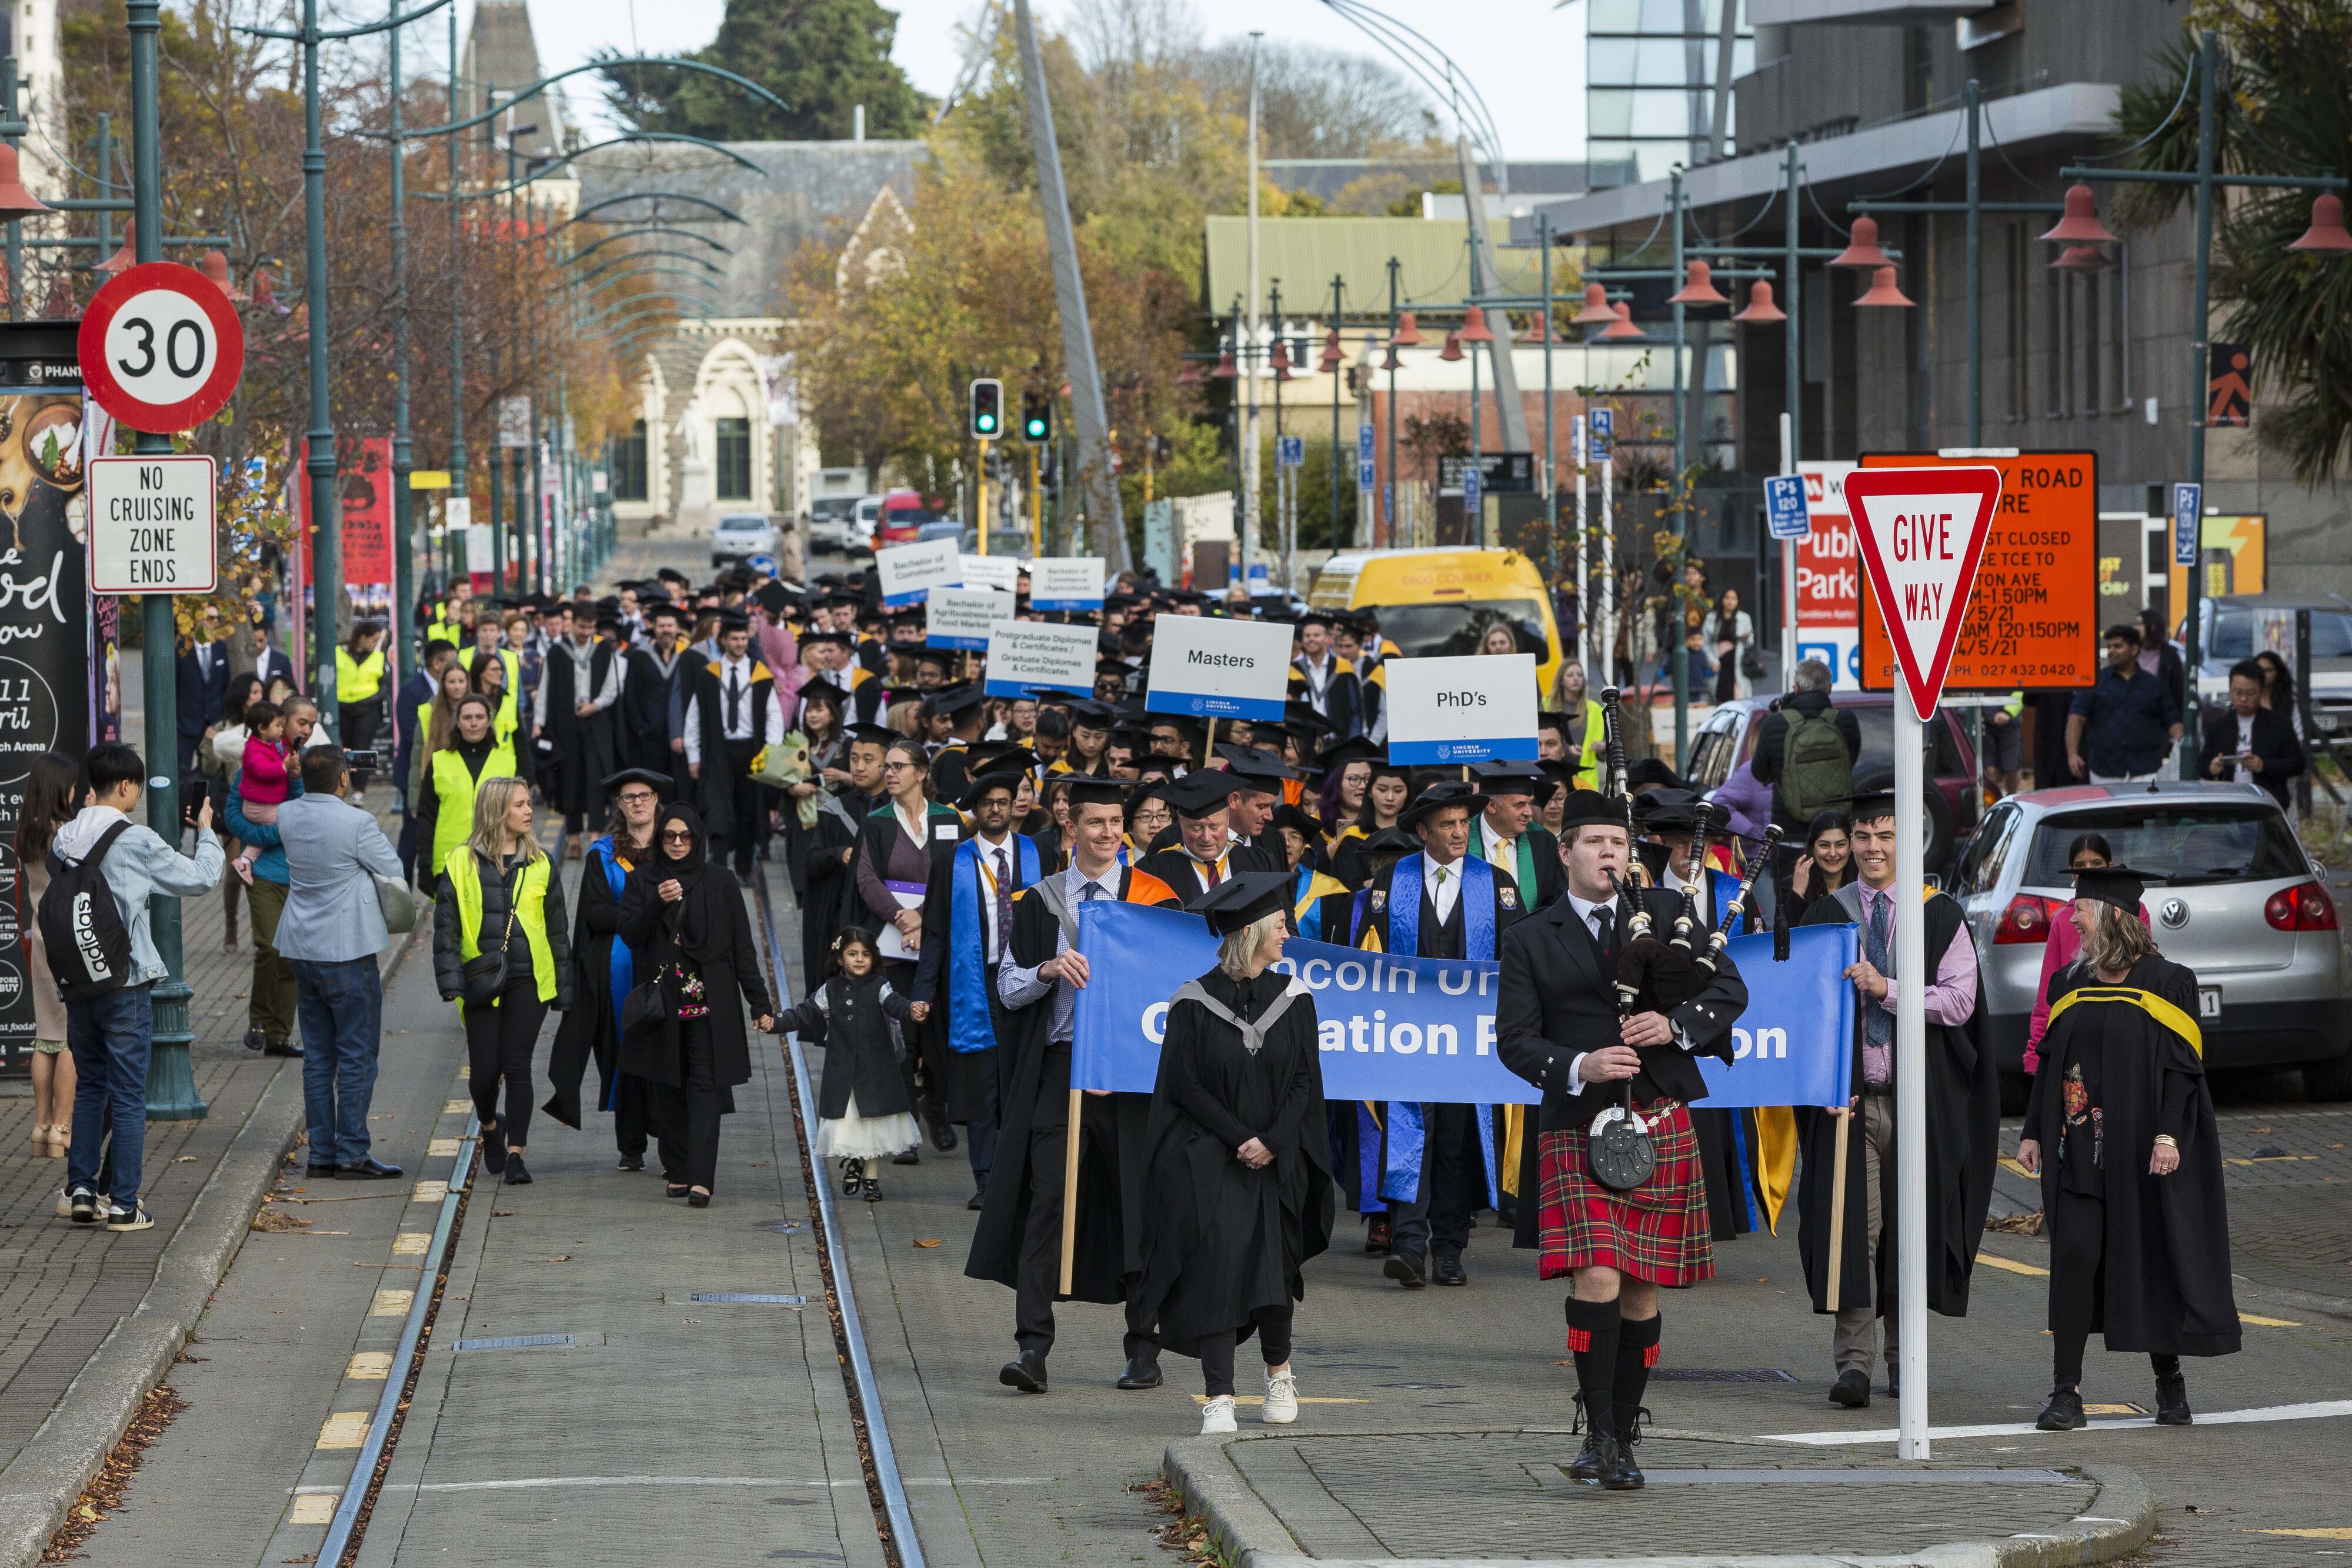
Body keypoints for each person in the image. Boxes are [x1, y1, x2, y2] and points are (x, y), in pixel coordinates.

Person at [1494, 787, 1747, 1490]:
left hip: (1659, 1118)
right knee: (1598, 1274)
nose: (1609, 853)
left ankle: (1624, 1432)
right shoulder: (1529, 937)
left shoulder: (1668, 914)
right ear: (1566, 850)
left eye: (1619, 843)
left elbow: (1729, 990)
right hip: (1579, 1124)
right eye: (1595, 842)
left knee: (1641, 1290)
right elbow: (1513, 1040)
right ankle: (1599, 1431)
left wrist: (1675, 1025)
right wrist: (1580, 1064)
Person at [966, 777, 1181, 1394]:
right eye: (1096, 822)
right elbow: (1007, 987)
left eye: (1117, 822)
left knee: (1141, 1210)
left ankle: (1144, 1349)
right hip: (1061, 1068)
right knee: (1046, 1206)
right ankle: (1032, 1348)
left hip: (1133, 1078)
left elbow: (1176, 993)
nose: (1109, 833)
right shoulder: (1039, 901)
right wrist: (1049, 967)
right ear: (1071, 828)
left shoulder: (1156, 901)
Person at [2017, 864, 2237, 1430]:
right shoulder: (2068, 983)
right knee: (2073, 1259)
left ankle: (2169, 1382)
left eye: (2082, 909)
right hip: (2082, 1153)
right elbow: (2050, 1062)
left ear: (2112, 916)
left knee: (2148, 1261)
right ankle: (2065, 1392)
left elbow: (2181, 1070)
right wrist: (2033, 1131)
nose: (2073, 919)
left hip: (2143, 1152)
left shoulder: (2169, 981)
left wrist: (2169, 1135)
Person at [1797, 792, 1999, 1409]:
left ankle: (1903, 1360)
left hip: (1920, 1098)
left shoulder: (1938, 914)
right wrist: (1817, 1084)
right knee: (1856, 1230)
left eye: (1885, 835)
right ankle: (1853, 1363)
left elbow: (1959, 1002)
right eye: (1862, 835)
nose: (1873, 847)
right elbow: (1805, 1010)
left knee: (1911, 1232)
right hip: (1848, 1102)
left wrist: (1887, 988)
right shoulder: (1827, 914)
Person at [1135, 872, 1334, 1435]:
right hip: (1210, 1158)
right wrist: (1238, 1139)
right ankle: (1219, 1395)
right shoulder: (1192, 1003)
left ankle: (1279, 1375)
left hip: (1276, 1159)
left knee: (1273, 1273)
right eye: (1279, 926)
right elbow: (1185, 1087)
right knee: (1216, 1273)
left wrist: (1271, 1140)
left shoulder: (1294, 1000)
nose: (1287, 935)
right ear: (1250, 932)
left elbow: (1304, 1081)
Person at [1350, 780, 1522, 1289]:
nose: (1457, 832)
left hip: (1470, 1037)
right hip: (1408, 1035)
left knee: (1455, 1140)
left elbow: (1513, 959)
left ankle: (1448, 1250)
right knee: (1407, 1133)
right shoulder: (1389, 882)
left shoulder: (1495, 884)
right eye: (1446, 824)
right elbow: (1366, 956)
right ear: (1422, 830)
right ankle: (1408, 1245)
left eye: (1463, 824)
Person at [56, 743, 226, 1232]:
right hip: (126, 981)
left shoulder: (65, 838)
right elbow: (199, 879)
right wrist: (207, 831)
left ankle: (82, 1190)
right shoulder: (137, 839)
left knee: (91, 1087)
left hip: (78, 981)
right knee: (129, 1096)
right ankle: (125, 1205)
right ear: (128, 786)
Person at [617, 803, 777, 1207]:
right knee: (668, 1084)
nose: (676, 843)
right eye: (668, 836)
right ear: (658, 839)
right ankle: (678, 1168)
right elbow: (631, 936)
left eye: (684, 836)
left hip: (711, 1001)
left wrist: (760, 1003)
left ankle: (701, 1178)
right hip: (664, 1005)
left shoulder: (720, 881)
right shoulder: (641, 881)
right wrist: (656, 902)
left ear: (697, 838)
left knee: (705, 1085)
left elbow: (743, 948)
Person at [913, 765, 1042, 1209]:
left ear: (1013, 807)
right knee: (984, 1083)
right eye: (986, 803)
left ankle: (1020, 1177)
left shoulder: (1035, 854)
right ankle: (986, 1179)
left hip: (1030, 979)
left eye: (1002, 802)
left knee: (1020, 1081)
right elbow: (934, 932)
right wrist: (922, 992)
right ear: (975, 809)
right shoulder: (953, 861)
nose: (995, 809)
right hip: (977, 981)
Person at [433, 776, 572, 1185]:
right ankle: (491, 1127)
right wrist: (450, 981)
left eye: (529, 803)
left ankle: (517, 1154)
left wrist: (564, 989)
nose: (529, 811)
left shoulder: (542, 862)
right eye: (520, 805)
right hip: (482, 979)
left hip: (530, 979)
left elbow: (557, 931)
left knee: (517, 1066)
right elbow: (446, 928)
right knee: (483, 1074)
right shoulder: (461, 862)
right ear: (497, 811)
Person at [276, 745, 406, 1180]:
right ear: (344, 779)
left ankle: (322, 1154)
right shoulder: (357, 821)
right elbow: (391, 867)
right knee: (356, 1055)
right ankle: (352, 1152)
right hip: (347, 950)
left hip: (302, 946)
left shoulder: (287, 815)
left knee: (318, 1057)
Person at [545, 768, 669, 1170]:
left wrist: (635, 915)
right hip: (618, 970)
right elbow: (595, 915)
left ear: (655, 800)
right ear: (618, 804)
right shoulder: (603, 854)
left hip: (666, 965)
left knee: (668, 1051)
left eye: (644, 795)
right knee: (624, 1053)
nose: (637, 802)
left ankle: (671, 1141)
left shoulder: (675, 846)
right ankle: (630, 1144)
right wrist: (649, 914)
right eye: (629, 797)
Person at [855, 737, 963, 1156]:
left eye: (899, 766)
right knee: (901, 1037)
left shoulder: (948, 819)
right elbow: (866, 878)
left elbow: (956, 873)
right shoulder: (878, 821)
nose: (890, 773)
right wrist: (903, 916)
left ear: (922, 773)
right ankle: (905, 1126)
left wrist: (924, 915)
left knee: (936, 1033)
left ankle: (935, 1108)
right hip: (892, 941)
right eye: (888, 767)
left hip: (937, 940)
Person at [782, 928, 929, 1201]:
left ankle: (871, 1180)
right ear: (840, 959)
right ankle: (855, 1162)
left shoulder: (880, 985)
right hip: (843, 1073)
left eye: (866, 954)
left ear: (874, 958)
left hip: (876, 1072)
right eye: (852, 954)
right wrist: (775, 1022)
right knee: (849, 1123)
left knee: (875, 1127)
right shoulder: (831, 989)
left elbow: (895, 1004)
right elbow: (805, 1013)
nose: (860, 960)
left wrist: (911, 1009)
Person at [2024, 833, 2146, 1073]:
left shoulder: (2134, 914)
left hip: (2124, 1038)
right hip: (2078, 1040)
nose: (2088, 871)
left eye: (2096, 864)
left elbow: (2143, 973)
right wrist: (2035, 1054)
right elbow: (2047, 998)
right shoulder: (2063, 921)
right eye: (2080, 866)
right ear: (2072, 872)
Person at [683, 612, 788, 875]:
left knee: (748, 809)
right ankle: (718, 866)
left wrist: (770, 752)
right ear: (724, 641)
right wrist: (693, 756)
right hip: (718, 751)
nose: (740, 643)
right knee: (717, 807)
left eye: (743, 638)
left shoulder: (760, 674)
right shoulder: (709, 674)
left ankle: (743, 868)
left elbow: (774, 715)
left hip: (752, 751)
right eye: (735, 639)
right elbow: (694, 717)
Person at [227, 708, 305, 1059]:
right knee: (270, 948)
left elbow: (303, 808)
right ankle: (258, 1022)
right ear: (280, 725)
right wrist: (270, 834)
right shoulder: (256, 762)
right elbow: (233, 813)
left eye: (312, 724)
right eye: (300, 721)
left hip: (299, 876)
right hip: (263, 875)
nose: (307, 728)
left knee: (291, 958)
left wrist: (297, 774)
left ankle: (279, 1036)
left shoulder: (294, 762)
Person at [19, 752, 78, 1160]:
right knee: (74, 1037)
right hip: (70, 937)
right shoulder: (67, 832)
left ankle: (41, 1127)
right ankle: (63, 1127)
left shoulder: (28, 830)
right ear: (61, 786)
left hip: (40, 935)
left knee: (45, 1035)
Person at [537, 606, 623, 850]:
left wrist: (595, 706)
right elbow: (545, 689)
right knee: (569, 777)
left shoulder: (603, 650)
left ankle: (595, 834)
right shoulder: (557, 652)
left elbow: (612, 688)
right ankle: (573, 836)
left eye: (590, 627)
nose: (586, 632)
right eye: (582, 627)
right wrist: (538, 723)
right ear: (571, 623)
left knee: (597, 778)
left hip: (596, 722)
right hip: (566, 725)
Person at [416, 695, 521, 883]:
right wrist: (424, 862)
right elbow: (427, 815)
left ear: (489, 722)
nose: (473, 724)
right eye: (467, 718)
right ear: (457, 722)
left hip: (496, 860)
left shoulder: (507, 763)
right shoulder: (439, 762)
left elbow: (519, 817)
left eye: (480, 718)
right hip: (449, 860)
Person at [1749, 660, 1860, 832]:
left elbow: (1759, 773)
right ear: (1829, 688)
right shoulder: (1845, 720)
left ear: (1797, 688)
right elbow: (1849, 760)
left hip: (1789, 829)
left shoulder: (1774, 724)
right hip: (1835, 830)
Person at [2067, 623, 2183, 784]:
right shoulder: (2096, 683)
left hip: (2146, 773)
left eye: (2118, 646)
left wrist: (2182, 744)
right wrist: (2073, 755)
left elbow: (2173, 722)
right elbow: (2076, 719)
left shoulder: (2154, 685)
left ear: (2134, 650)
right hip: (2105, 773)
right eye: (2109, 647)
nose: (2111, 651)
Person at [2197, 658, 2304, 809]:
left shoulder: (2280, 725)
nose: (2243, 699)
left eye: (2250, 693)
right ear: (2230, 690)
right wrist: (2211, 767)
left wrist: (2263, 766)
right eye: (2238, 692)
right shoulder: (2219, 726)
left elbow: (2297, 764)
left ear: (2261, 692)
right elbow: (2202, 764)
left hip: (2266, 803)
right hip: (2228, 802)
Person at [395, 640, 460, 879]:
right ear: (437, 663)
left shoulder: (457, 691)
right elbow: (411, 733)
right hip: (417, 777)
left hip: (447, 778)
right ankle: (403, 889)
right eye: (452, 661)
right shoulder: (413, 691)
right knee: (412, 837)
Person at [1469, 762, 1563, 912]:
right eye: (1519, 805)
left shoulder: (1543, 842)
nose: (1529, 812)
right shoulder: (1463, 839)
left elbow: (1556, 902)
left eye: (1530, 803)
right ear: (1492, 806)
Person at [1287, 612, 1362, 739]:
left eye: (1317, 635)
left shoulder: (1343, 668)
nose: (1311, 639)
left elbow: (1355, 712)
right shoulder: (1294, 671)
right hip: (1307, 742)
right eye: (1307, 636)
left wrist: (1353, 741)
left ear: (1328, 638)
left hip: (1338, 742)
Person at [336, 621, 389, 796]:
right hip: (343, 706)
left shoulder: (378, 657)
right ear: (362, 637)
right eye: (374, 640)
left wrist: (373, 699)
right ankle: (348, 785)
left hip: (368, 708)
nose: (376, 644)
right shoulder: (338, 652)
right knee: (348, 748)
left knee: (363, 748)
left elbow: (384, 685)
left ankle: (359, 791)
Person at [1777, 810, 1855, 928]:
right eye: (1824, 845)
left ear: (1851, 847)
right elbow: (1786, 937)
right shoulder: (1788, 886)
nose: (1833, 853)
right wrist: (1797, 894)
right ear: (1813, 848)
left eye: (1840, 845)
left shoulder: (1862, 884)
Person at [1700, 589, 1753, 703]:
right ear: (1722, 600)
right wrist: (1712, 661)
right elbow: (1705, 642)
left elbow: (1751, 642)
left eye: (1734, 599)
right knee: (1717, 696)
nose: (1730, 601)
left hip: (1737, 664)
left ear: (1738, 602)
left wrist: (1746, 638)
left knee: (1738, 696)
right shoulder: (1711, 618)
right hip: (1718, 664)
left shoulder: (1744, 618)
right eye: (1727, 598)